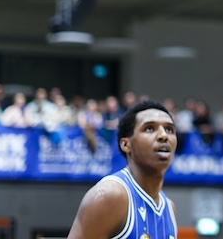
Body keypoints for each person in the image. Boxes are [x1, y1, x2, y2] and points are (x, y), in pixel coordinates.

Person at [67, 100, 179, 239]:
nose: (163, 135)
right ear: (126, 144)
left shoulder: (169, 208)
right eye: (149, 128)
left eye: (169, 129)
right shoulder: (109, 196)